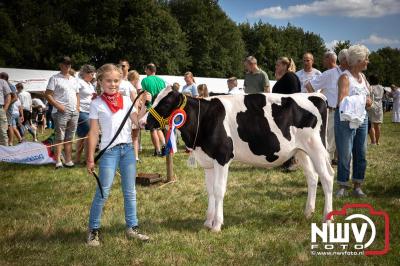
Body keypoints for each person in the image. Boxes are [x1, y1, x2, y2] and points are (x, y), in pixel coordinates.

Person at [86, 63, 149, 246]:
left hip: (128, 150)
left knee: (130, 192)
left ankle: (132, 227)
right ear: (100, 81)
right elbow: (93, 132)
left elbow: (137, 122)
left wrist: (144, 102)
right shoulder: (96, 104)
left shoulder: (127, 101)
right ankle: (93, 230)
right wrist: (90, 158)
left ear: (121, 81)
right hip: (109, 153)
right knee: (103, 192)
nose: (113, 84)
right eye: (108, 81)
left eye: (116, 80)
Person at [335, 44, 372, 198]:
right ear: (358, 60)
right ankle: (343, 185)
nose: (368, 62)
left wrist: (368, 100)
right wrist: (364, 100)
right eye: (366, 59)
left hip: (362, 118)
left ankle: (357, 185)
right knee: (345, 154)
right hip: (346, 119)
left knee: (361, 153)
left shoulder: (362, 77)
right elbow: (341, 100)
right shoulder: (345, 77)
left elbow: (368, 95)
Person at [305, 50, 346, 164]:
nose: (322, 61)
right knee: (330, 142)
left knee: (335, 141)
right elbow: (309, 86)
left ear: (329, 59)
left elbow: (309, 85)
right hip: (332, 111)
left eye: (324, 58)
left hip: (341, 112)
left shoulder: (330, 74)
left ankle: (335, 161)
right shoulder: (329, 74)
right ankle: (326, 166)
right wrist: (319, 98)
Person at [45, 56, 80, 169]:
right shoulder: (54, 78)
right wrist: (58, 106)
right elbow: (48, 94)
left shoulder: (74, 79)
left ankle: (68, 160)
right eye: (65, 64)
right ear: (60, 65)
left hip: (74, 112)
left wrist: (78, 107)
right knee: (60, 137)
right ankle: (58, 161)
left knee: (70, 137)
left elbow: (77, 94)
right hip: (60, 112)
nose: (67, 66)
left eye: (69, 64)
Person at [141, 63, 166, 156]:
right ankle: (164, 146)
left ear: (148, 70)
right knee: (159, 128)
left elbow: (145, 94)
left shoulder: (145, 80)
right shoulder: (162, 81)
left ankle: (158, 151)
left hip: (150, 107)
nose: (145, 71)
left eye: (146, 70)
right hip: (160, 107)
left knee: (152, 129)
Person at [75, 64, 96, 164]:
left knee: (82, 136)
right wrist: (77, 107)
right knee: (89, 133)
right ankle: (88, 158)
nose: (93, 76)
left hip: (90, 111)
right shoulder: (79, 82)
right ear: (85, 73)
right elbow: (75, 94)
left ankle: (78, 158)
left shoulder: (90, 84)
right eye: (91, 74)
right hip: (82, 111)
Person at [127, 70, 144, 162]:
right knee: (134, 137)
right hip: (133, 115)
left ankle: (134, 156)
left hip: (128, 115)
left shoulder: (126, 86)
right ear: (135, 78)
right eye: (138, 79)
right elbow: (135, 103)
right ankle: (135, 157)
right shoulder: (131, 88)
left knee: (131, 137)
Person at [0, 72, 18, 145]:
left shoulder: (10, 85)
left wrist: (6, 106)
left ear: (3, 77)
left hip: (8, 108)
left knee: (9, 125)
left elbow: (15, 98)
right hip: (5, 107)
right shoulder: (7, 84)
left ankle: (10, 142)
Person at [367, 74, 384, 145]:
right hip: (379, 106)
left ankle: (373, 141)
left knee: (371, 125)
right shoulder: (381, 87)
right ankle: (377, 141)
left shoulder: (370, 87)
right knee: (378, 125)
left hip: (372, 106)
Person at [0, 77, 12, 145]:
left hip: (0, 109)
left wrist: (4, 109)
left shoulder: (2, 82)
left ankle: (4, 152)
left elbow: (8, 96)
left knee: (2, 131)